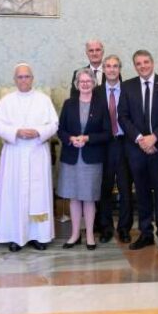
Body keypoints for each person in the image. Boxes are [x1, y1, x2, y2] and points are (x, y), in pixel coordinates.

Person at [0, 63, 59, 252]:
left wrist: (37, 131)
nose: (23, 80)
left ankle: (38, 236)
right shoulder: (6, 101)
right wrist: (16, 132)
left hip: (37, 152)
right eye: (20, 77)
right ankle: (15, 236)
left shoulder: (43, 100)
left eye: (27, 76)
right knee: (14, 194)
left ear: (32, 78)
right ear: (15, 80)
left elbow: (54, 124)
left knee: (37, 195)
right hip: (14, 153)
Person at [118, 50, 158, 251]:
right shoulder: (127, 86)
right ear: (134, 66)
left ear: (152, 62)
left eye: (146, 62)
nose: (142, 66)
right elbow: (123, 117)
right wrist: (140, 139)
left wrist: (155, 137)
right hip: (136, 148)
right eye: (138, 63)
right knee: (141, 192)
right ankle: (145, 233)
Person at [57, 68, 111, 250]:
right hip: (72, 157)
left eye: (88, 81)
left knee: (88, 197)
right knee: (73, 197)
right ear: (76, 84)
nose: (85, 84)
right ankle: (74, 234)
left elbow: (107, 133)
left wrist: (87, 138)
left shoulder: (101, 105)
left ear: (94, 83)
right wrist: (71, 139)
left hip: (91, 158)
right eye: (82, 81)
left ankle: (89, 235)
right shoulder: (68, 104)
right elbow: (60, 130)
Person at [95, 54, 134, 244]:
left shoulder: (130, 90)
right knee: (105, 188)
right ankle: (106, 227)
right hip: (104, 145)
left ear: (120, 69)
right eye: (108, 66)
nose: (111, 69)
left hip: (125, 143)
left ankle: (125, 228)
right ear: (103, 69)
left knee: (126, 188)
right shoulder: (96, 92)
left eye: (115, 66)